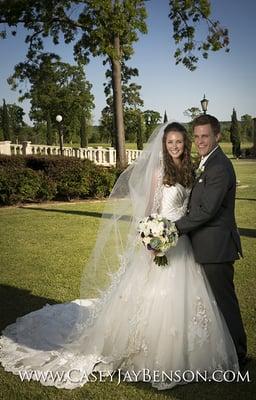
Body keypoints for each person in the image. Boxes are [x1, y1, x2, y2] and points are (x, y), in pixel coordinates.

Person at [0, 121, 239, 391]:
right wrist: (153, 235)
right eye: (170, 142)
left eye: (179, 142)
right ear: (164, 144)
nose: (174, 146)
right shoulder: (158, 172)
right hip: (165, 238)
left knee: (190, 299)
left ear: (186, 144)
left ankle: (193, 350)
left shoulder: (191, 171)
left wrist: (171, 232)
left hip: (182, 243)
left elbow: (196, 208)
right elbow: (149, 209)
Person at [175, 114, 247, 369]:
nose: (200, 141)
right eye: (196, 136)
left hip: (216, 248)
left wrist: (173, 228)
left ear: (217, 136)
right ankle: (221, 349)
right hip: (205, 245)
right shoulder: (206, 161)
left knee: (224, 301)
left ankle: (238, 353)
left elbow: (207, 210)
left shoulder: (219, 166)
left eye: (205, 136)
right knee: (211, 303)